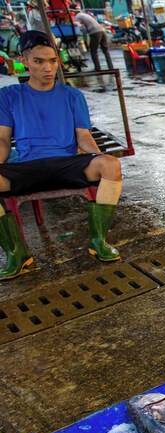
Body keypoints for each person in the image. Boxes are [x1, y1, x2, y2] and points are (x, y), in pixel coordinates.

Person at [0, 31, 124, 280]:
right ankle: (17, 252)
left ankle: (98, 239)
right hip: (28, 165)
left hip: (67, 163)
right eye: (38, 61)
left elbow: (84, 137)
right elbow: (3, 139)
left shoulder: (72, 95)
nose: (48, 68)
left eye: (52, 61)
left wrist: (99, 157)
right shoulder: (9, 95)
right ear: (24, 61)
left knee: (111, 165)